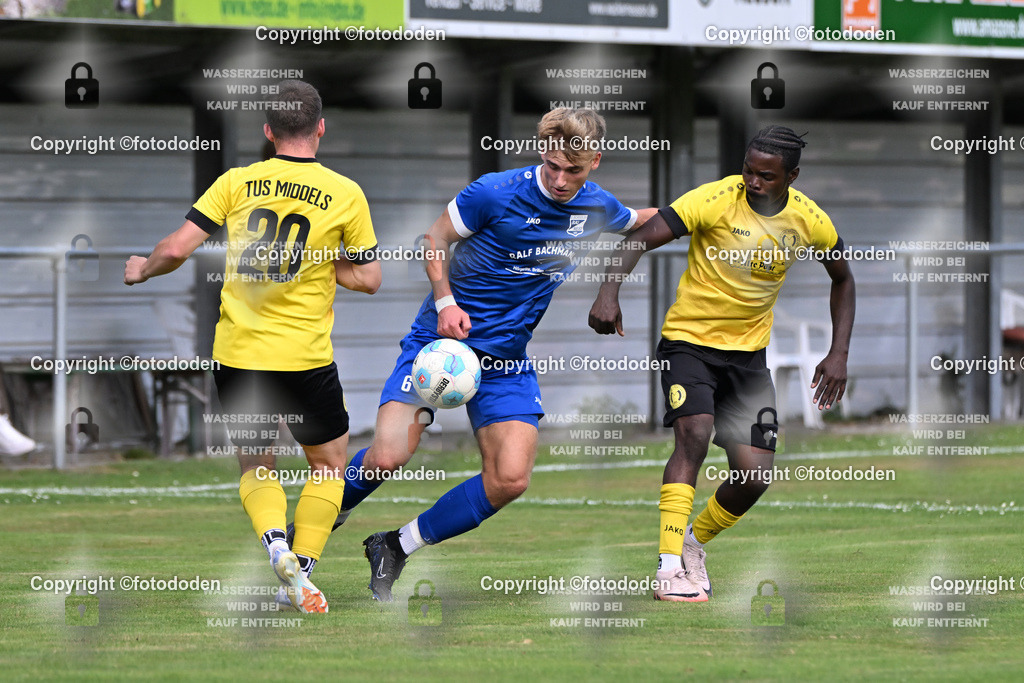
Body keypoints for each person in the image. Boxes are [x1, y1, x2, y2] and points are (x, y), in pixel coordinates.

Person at [303, 107, 654, 602]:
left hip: (505, 360)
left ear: (594, 161)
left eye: (572, 171)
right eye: (551, 166)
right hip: (439, 345)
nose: (558, 179)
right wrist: (445, 302)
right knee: (387, 455)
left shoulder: (597, 206)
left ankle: (395, 546)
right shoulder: (495, 191)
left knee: (510, 478)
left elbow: (646, 221)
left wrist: (713, 214)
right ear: (542, 153)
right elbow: (435, 239)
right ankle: (308, 533)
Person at [124, 80, 381, 613]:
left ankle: (275, 545)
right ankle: (302, 569)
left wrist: (142, 269)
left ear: (267, 132)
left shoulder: (237, 182)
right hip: (305, 358)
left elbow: (176, 248)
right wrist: (319, 257)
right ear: (321, 128)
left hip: (238, 357)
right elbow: (369, 278)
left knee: (257, 468)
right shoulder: (346, 191)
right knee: (329, 466)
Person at [588, 125, 855, 602]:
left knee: (754, 477)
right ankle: (669, 567)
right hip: (688, 344)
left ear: (791, 176)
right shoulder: (713, 199)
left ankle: (693, 545)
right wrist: (609, 293)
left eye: (766, 176)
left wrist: (838, 353)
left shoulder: (809, 220)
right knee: (694, 434)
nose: (753, 181)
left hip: (749, 359)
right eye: (749, 170)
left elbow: (843, 278)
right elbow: (638, 240)